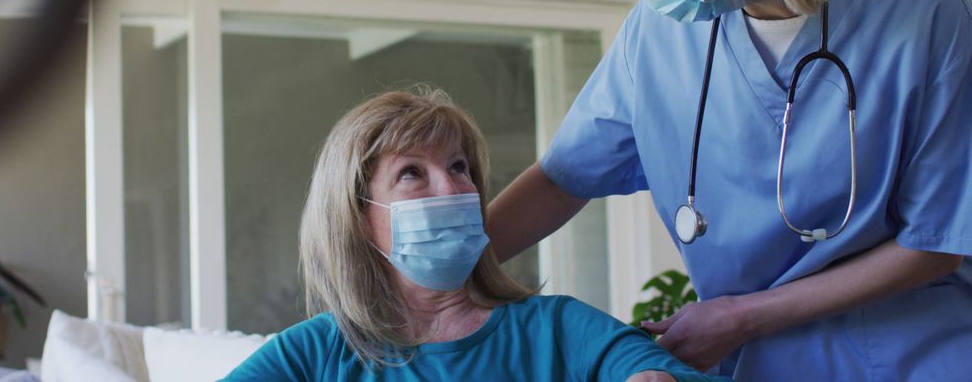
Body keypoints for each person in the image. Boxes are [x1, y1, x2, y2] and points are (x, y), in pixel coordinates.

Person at [486, 0, 972, 379]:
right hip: (749, 362)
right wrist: (435, 276)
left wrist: (741, 317)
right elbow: (562, 178)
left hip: (905, 357)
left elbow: (937, 241)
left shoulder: (927, 11)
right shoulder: (660, 32)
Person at [223, 89, 724, 381]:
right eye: (412, 173)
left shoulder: (555, 330)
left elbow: (653, 374)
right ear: (357, 215)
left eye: (458, 167)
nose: (452, 189)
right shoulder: (317, 354)